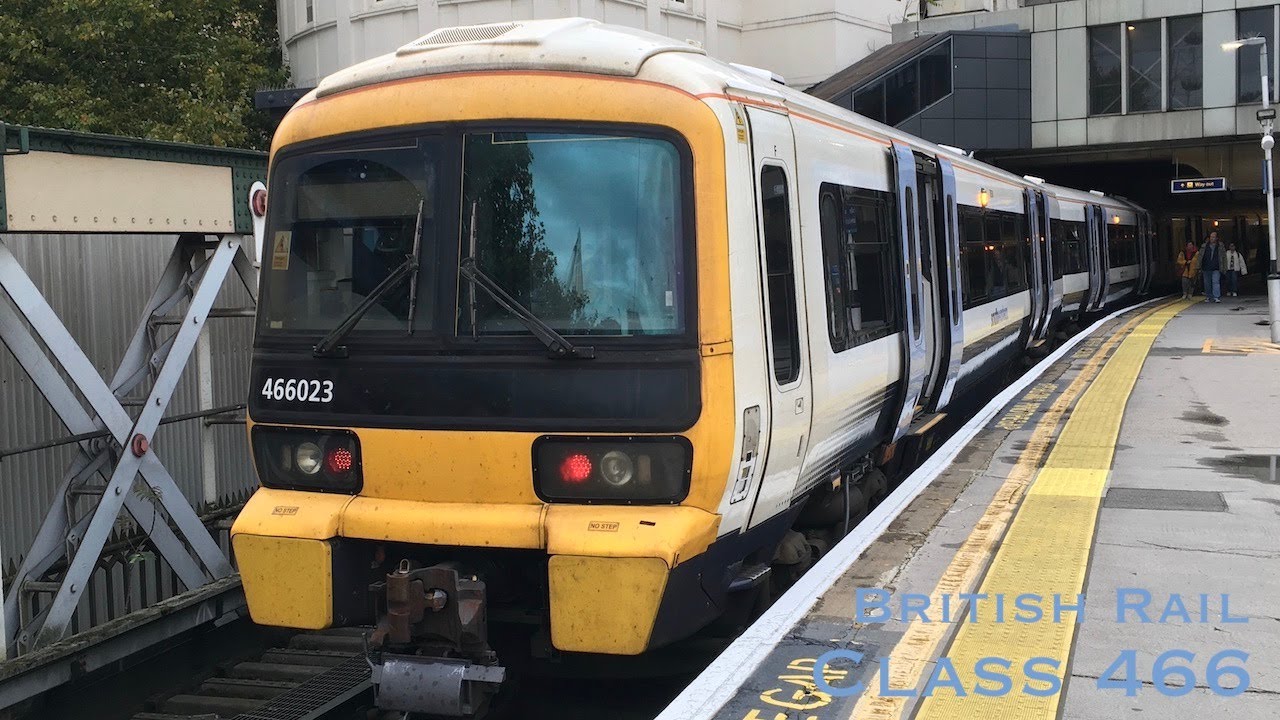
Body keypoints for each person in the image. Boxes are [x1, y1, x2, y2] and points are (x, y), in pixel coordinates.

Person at [1200, 232, 1223, 303]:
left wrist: (1224, 267)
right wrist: (1198, 266)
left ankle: (1216, 297)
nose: (1212, 238)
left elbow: (1223, 257)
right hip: (1206, 267)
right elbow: (1200, 257)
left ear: (1216, 238)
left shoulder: (1220, 246)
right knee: (1207, 283)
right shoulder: (1204, 246)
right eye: (1211, 237)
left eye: (1214, 237)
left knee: (1216, 282)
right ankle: (1208, 296)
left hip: (1216, 267)